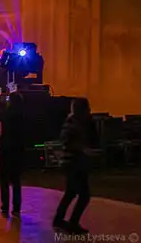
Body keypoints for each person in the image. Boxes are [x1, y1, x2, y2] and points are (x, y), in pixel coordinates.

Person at [53, 98, 92, 234]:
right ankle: (71, 223)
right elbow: (67, 142)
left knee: (71, 193)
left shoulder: (72, 123)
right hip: (74, 163)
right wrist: (83, 150)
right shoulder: (73, 125)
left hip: (72, 162)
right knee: (84, 195)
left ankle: (59, 220)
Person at [0, 92, 25, 217]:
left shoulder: (6, 114)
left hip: (5, 149)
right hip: (17, 150)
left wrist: (0, 104)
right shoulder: (22, 115)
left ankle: (5, 207)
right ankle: (16, 208)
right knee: (16, 181)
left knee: (4, 180)